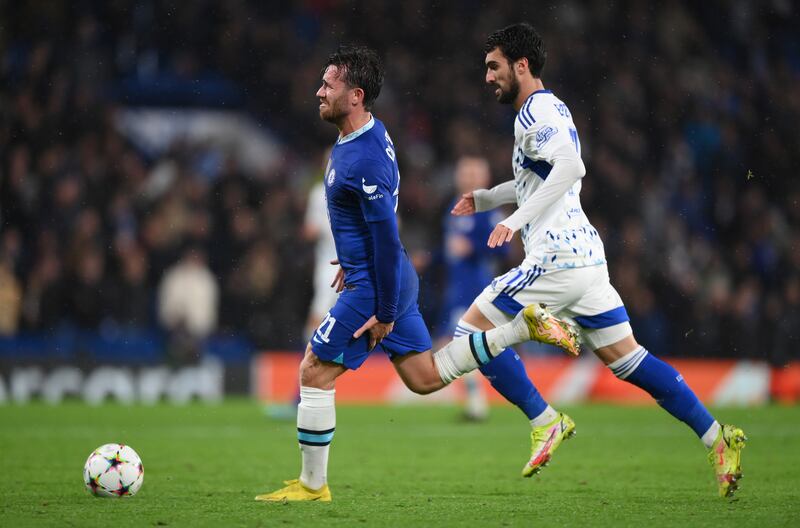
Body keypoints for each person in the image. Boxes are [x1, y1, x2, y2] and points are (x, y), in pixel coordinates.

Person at [255, 45, 578, 503]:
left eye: (328, 84)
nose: (318, 91)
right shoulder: (365, 136)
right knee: (425, 378)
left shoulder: (362, 159)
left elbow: (386, 234)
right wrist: (354, 259)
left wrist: (382, 308)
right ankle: (518, 329)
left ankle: (312, 486)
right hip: (382, 275)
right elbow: (374, 232)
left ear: (356, 96)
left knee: (313, 370)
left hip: (376, 287)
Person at [450, 23, 746, 498]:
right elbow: (539, 178)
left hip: (557, 255)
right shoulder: (552, 108)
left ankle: (544, 420)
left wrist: (514, 220)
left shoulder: (534, 112)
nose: (487, 77)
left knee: (471, 334)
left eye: (493, 66)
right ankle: (718, 438)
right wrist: (487, 199)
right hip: (586, 258)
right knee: (629, 361)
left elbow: (571, 167)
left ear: (520, 65)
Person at [438, 156, 508, 421]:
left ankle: (479, 403)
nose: (467, 177)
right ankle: (477, 402)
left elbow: (503, 247)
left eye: (473, 173)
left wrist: (473, 249)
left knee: (458, 345)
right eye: (464, 172)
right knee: (459, 346)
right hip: (455, 288)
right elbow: (448, 250)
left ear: (485, 178)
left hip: (477, 288)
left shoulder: (489, 210)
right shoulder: (453, 208)